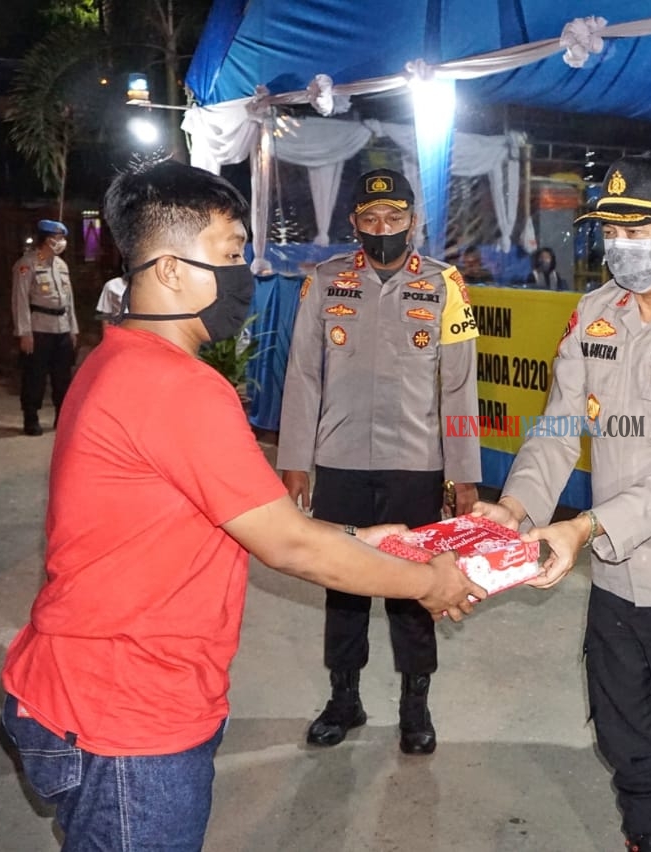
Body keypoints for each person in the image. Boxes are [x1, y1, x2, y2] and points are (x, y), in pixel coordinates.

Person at [0, 160, 484, 850]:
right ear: (171, 270)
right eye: (229, 255)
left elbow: (250, 523)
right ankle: (345, 694)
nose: (243, 275)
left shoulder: (113, 360)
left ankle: (414, 702)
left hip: (89, 694)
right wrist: (431, 581)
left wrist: (365, 535)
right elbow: (290, 543)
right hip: (129, 716)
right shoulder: (184, 389)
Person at [475, 153, 651, 852]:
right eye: (610, 230)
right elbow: (557, 427)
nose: (620, 245)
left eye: (637, 230)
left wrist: (584, 527)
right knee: (627, 747)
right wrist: (516, 510)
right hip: (613, 579)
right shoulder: (594, 314)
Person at [278, 168, 482, 754]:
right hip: (339, 458)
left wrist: (463, 472)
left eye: (394, 217)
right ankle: (344, 700)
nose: (382, 227)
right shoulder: (324, 282)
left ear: (412, 222)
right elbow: (303, 374)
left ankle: (416, 707)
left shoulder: (446, 285)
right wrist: (295, 458)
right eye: (370, 218)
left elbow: (459, 387)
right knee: (342, 585)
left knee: (416, 588)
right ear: (354, 223)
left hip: (416, 463)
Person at [12, 219, 79, 435]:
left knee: (62, 377)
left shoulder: (61, 265)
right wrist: (24, 332)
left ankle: (62, 416)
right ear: (46, 240)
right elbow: (20, 300)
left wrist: (73, 328)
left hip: (62, 328)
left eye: (62, 238)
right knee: (34, 376)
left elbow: (69, 300)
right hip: (39, 328)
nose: (61, 242)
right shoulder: (27, 264)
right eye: (57, 238)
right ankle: (31, 417)